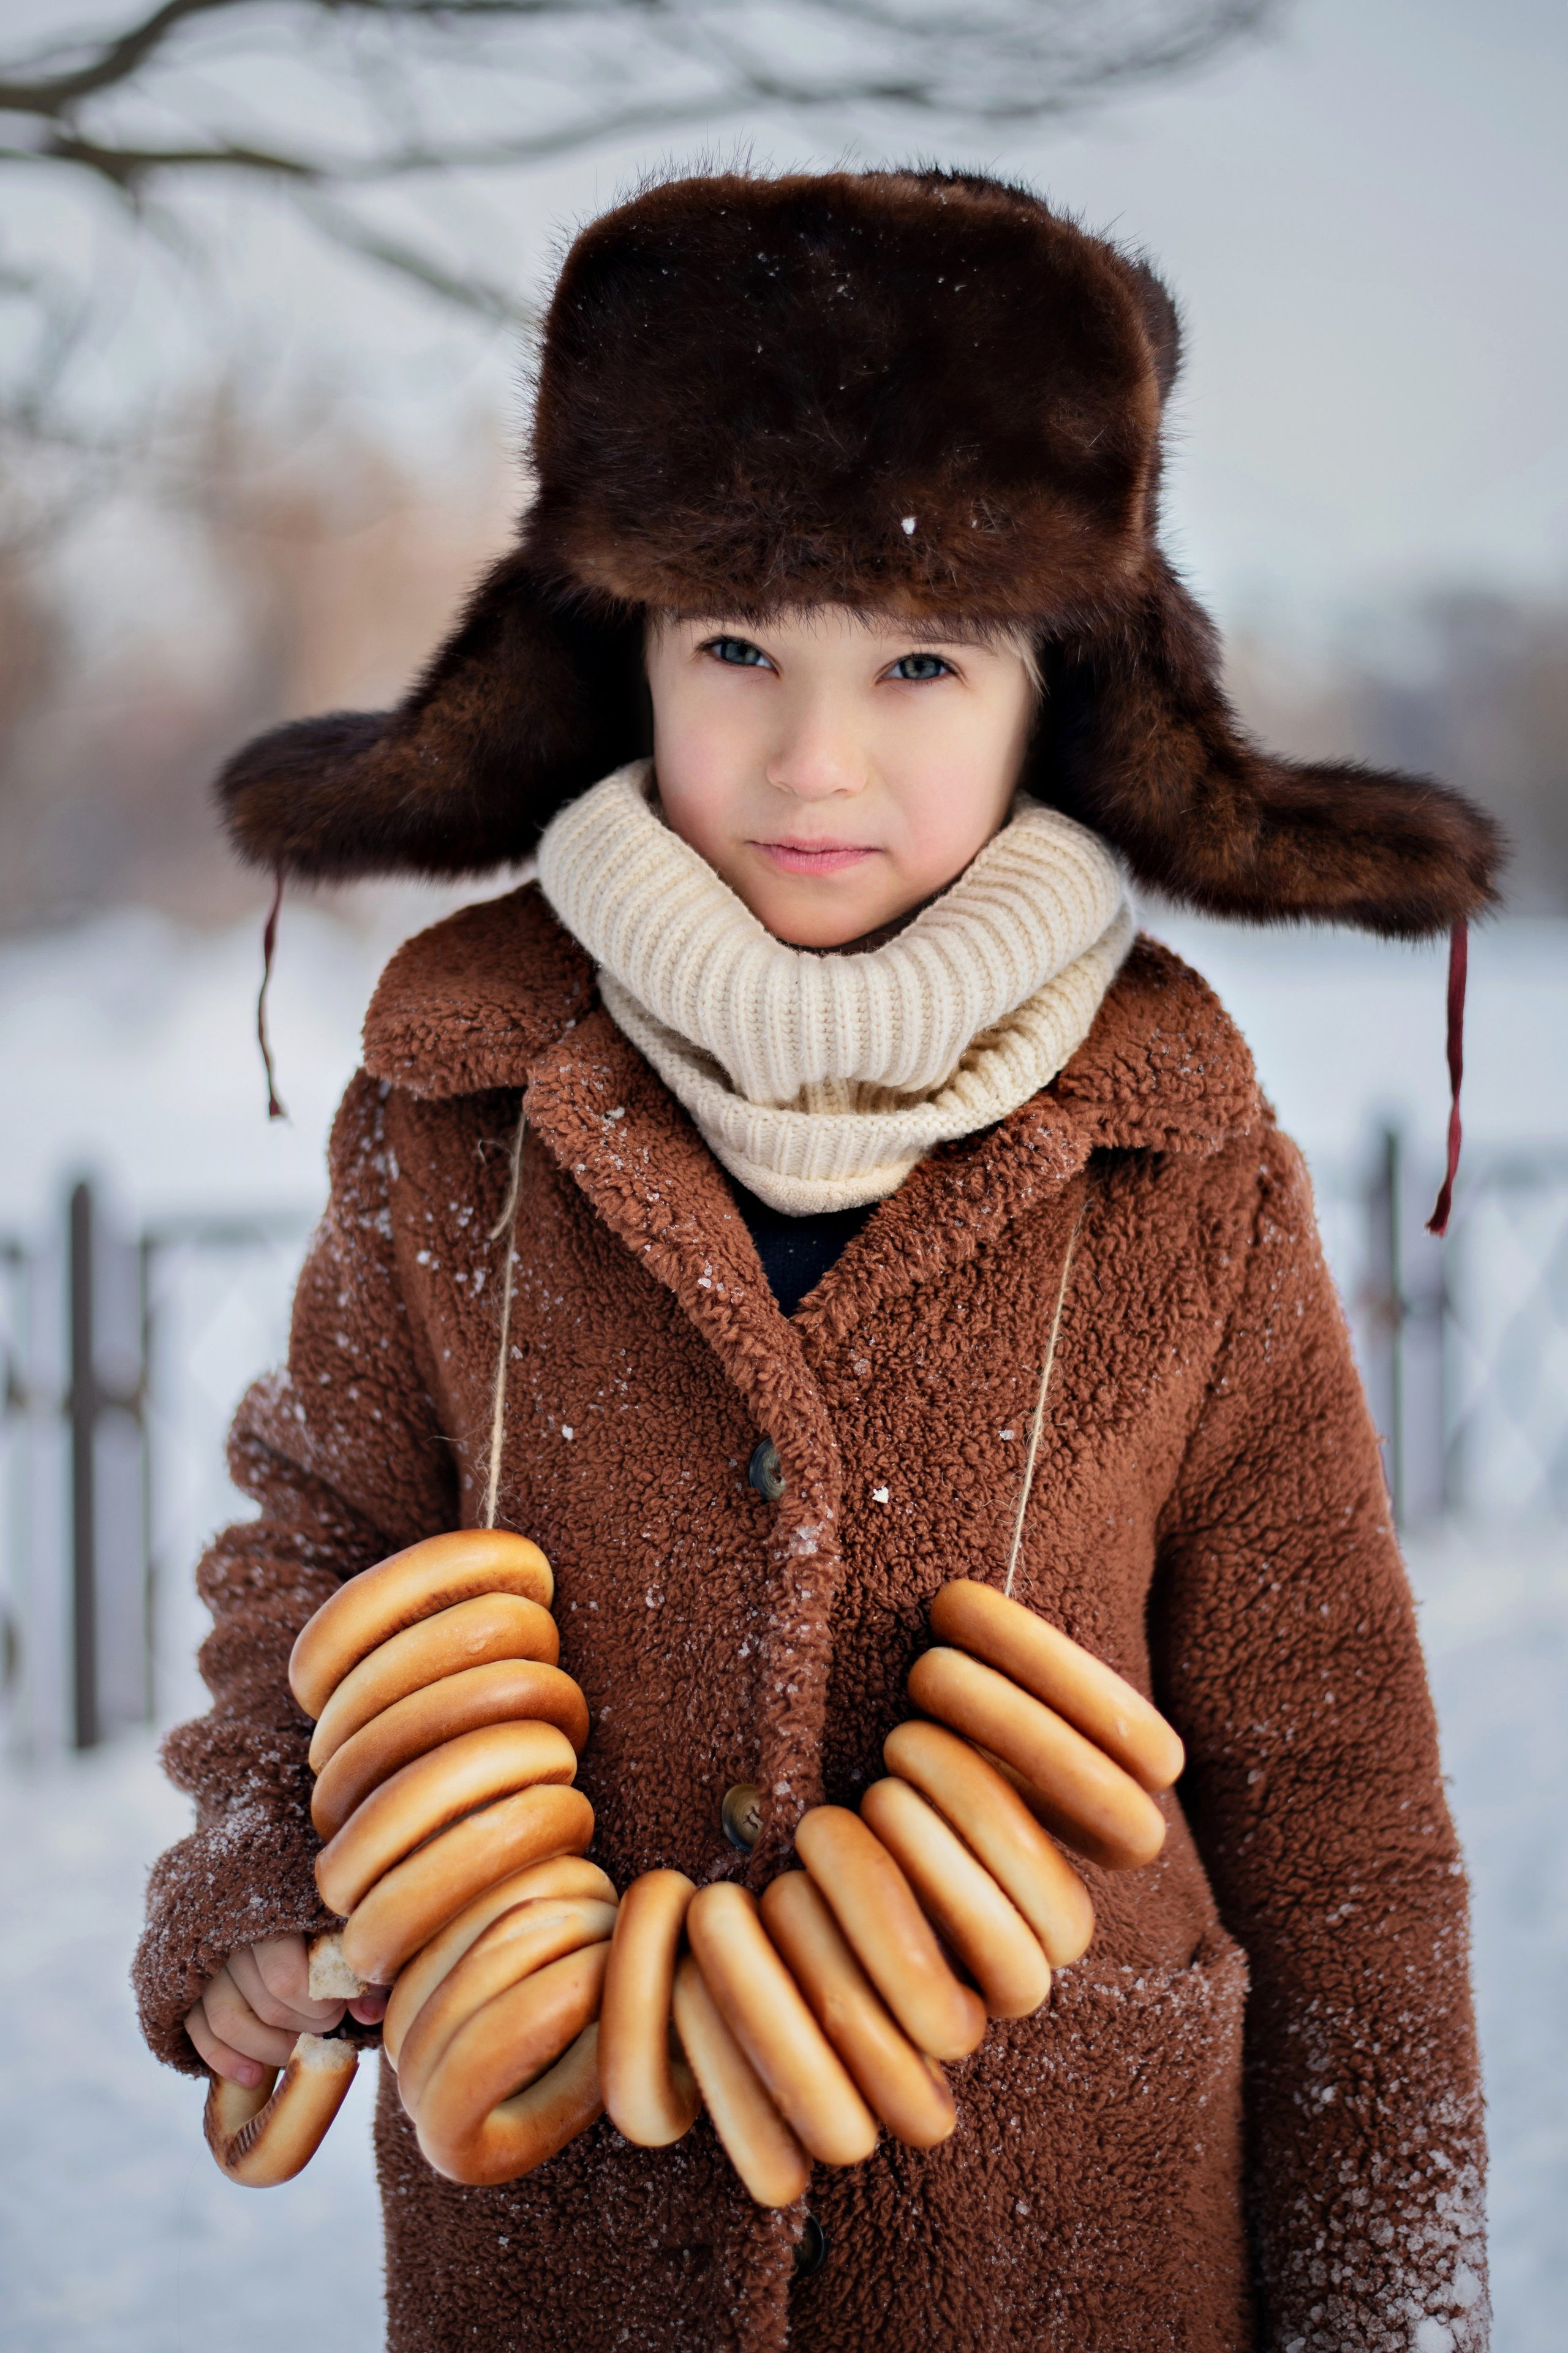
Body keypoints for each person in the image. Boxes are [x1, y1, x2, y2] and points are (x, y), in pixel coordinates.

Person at [134, 168, 1498, 2353]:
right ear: (624, 652)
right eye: (738, 646)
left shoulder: (1179, 1147)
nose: (813, 758)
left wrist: (1394, 2313)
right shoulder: (463, 1095)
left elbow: (1338, 1812)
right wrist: (255, 1894)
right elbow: (318, 1542)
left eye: (924, 659)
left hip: (1081, 2259)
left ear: (1055, 685)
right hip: (559, 2252)